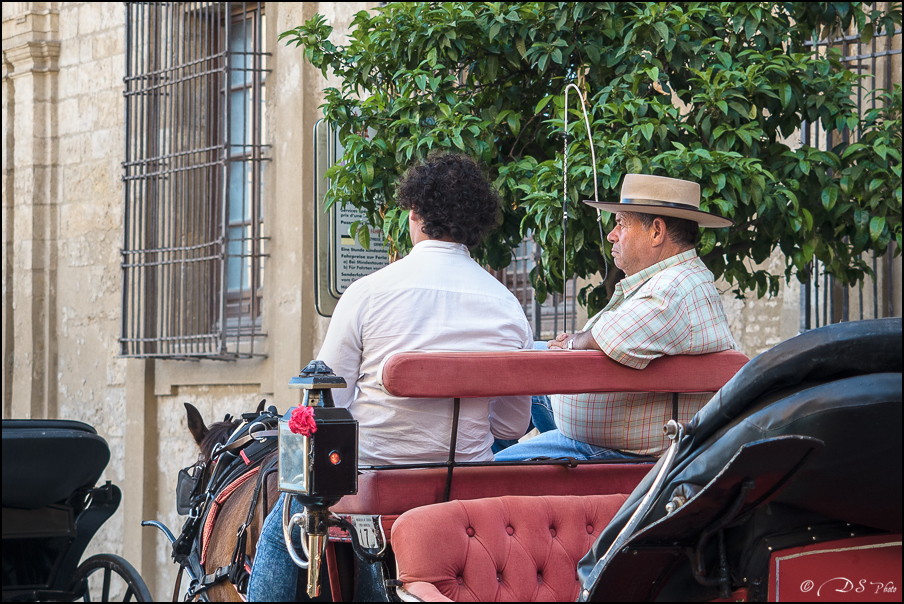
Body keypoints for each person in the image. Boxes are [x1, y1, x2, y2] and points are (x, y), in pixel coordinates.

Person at [249, 153, 533, 601]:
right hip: (468, 494)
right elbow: (512, 427)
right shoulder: (507, 308)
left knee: (281, 514)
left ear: (414, 214)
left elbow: (327, 407)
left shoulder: (368, 293)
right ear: (475, 223)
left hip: (374, 488)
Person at [495, 174, 738, 462]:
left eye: (621, 223)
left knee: (487, 470)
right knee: (523, 356)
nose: (612, 234)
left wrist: (574, 342)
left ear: (656, 232)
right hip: (598, 434)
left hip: (615, 452)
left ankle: (470, 478)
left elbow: (612, 337)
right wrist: (574, 344)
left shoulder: (673, 287)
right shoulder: (675, 279)